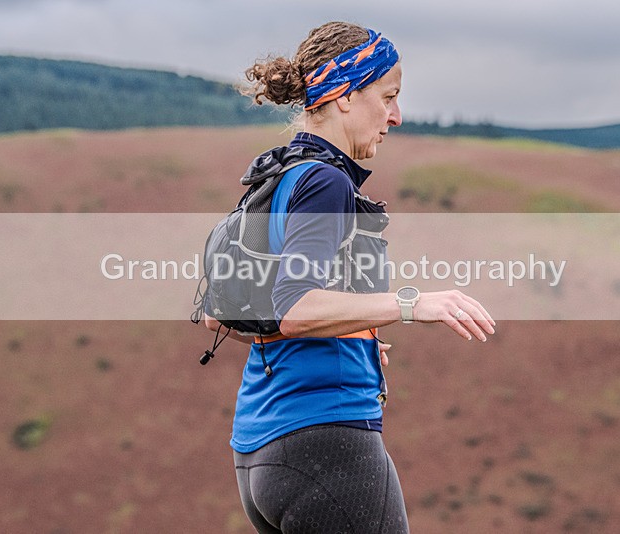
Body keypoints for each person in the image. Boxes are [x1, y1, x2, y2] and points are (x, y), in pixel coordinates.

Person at [205, 21, 495, 533]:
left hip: (259, 452)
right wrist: (412, 303)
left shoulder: (280, 175)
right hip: (327, 443)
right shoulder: (325, 181)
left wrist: (355, 332)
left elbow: (220, 313)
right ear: (344, 95)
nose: (396, 116)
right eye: (388, 97)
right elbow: (294, 308)